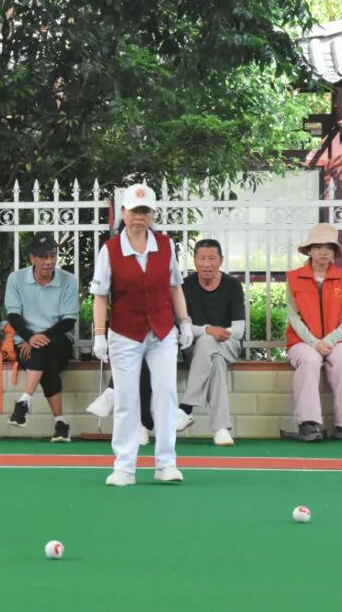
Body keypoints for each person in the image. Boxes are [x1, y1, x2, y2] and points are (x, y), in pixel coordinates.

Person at [90, 183, 193, 486]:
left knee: (165, 393)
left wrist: (184, 322)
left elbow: (175, 287)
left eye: (145, 211)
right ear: (123, 213)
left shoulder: (166, 245)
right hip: (124, 333)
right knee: (126, 399)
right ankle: (124, 467)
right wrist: (99, 334)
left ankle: (166, 463)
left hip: (162, 331)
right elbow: (100, 295)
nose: (139, 217)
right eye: (134, 211)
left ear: (152, 214)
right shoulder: (110, 250)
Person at [284, 223, 342, 442]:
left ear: (334, 252)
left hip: (337, 341)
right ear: (309, 250)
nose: (323, 251)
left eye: (329, 247)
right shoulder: (293, 278)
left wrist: (330, 340)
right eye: (318, 246)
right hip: (302, 342)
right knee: (309, 360)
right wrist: (314, 342)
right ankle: (308, 425)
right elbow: (293, 316)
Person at [3, 231, 80, 442]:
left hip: (59, 341)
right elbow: (13, 316)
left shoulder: (68, 280)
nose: (49, 262)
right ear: (32, 258)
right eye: (43, 257)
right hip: (25, 342)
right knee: (49, 365)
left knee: (43, 348)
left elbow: (69, 320)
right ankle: (60, 424)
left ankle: (24, 401)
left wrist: (37, 338)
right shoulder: (16, 279)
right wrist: (29, 337)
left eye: (53, 256)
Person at [176, 239, 245, 446]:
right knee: (215, 360)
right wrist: (207, 330)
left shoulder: (232, 285)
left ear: (221, 261)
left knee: (208, 343)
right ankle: (221, 429)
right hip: (196, 348)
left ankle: (187, 407)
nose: (207, 264)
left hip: (229, 343)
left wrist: (214, 333)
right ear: (195, 261)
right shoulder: (185, 287)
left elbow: (238, 330)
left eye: (212, 258)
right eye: (202, 259)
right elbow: (184, 327)